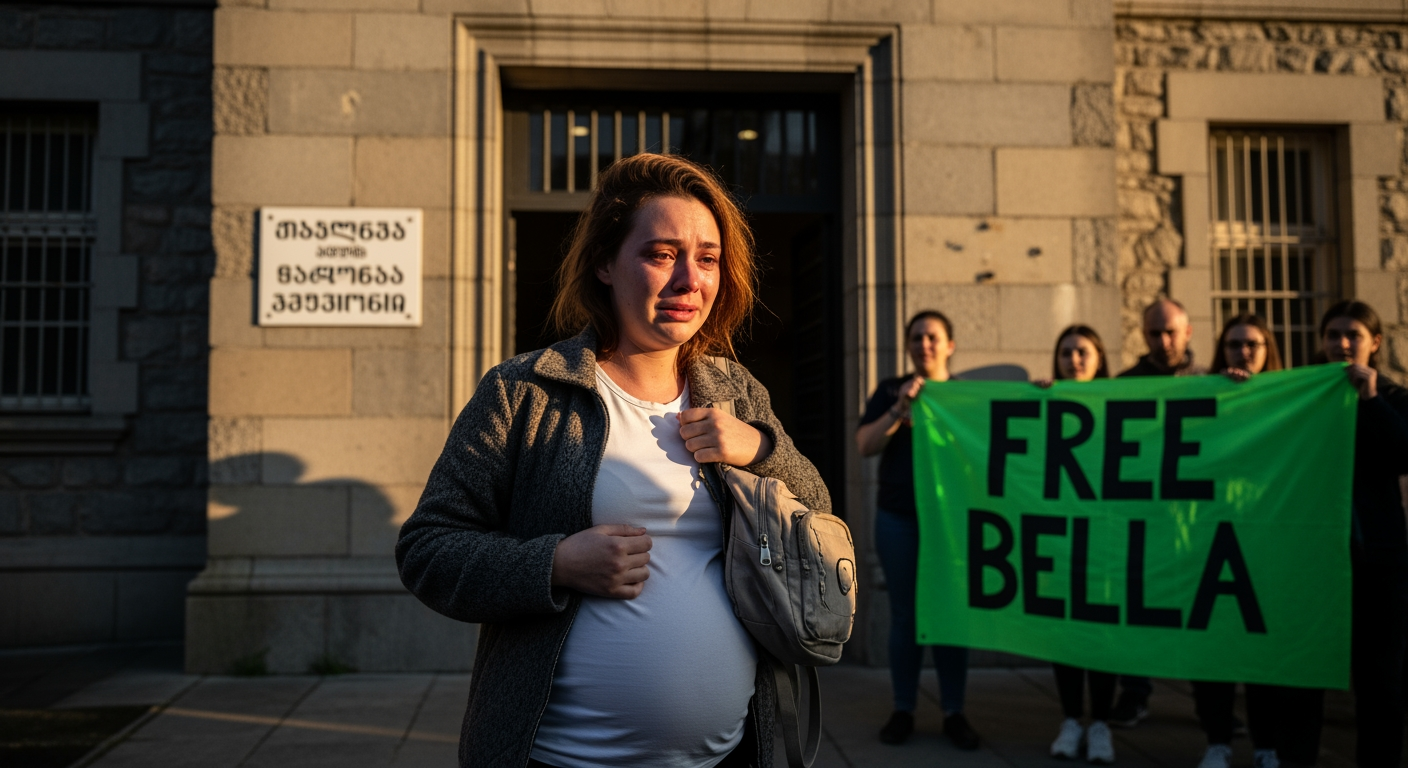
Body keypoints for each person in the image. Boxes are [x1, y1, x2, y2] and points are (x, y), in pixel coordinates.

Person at [396, 153, 830, 768]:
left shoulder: (735, 391)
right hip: (556, 757)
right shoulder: (525, 391)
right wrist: (555, 563)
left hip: (730, 754)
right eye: (661, 254)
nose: (689, 280)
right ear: (604, 263)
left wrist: (760, 448)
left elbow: (815, 519)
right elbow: (427, 551)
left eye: (707, 258)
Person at [1194, 313, 1325, 768]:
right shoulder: (1204, 396)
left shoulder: (1294, 400)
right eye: (1233, 344)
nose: (1243, 353)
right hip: (1211, 539)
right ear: (1221, 351)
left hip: (1268, 543)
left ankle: (1267, 745)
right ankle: (1218, 741)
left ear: (1269, 350)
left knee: (1261, 648)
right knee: (1213, 652)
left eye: (1252, 344)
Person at [856, 310, 982, 751]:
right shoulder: (891, 390)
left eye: (933, 338)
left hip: (950, 525)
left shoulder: (967, 398)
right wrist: (899, 408)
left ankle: (953, 711)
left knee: (949, 616)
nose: (924, 345)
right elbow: (864, 445)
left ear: (950, 345)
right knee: (905, 616)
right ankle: (903, 708)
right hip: (899, 519)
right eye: (916, 338)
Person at [1111, 296, 1208, 727]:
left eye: (1171, 331)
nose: (1163, 340)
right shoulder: (1126, 383)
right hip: (1143, 517)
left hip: (1198, 520)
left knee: (1206, 611)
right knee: (1136, 610)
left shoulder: (1212, 383)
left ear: (1189, 332)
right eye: (1155, 332)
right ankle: (1134, 694)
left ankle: (1213, 704)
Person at [1319, 300, 1408, 768]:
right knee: (1304, 668)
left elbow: (1405, 454)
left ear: (1375, 342)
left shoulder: (1392, 398)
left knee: (1379, 682)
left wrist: (1371, 402)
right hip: (1316, 559)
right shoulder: (1305, 396)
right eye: (1333, 334)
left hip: (1378, 560)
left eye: (1353, 334)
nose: (1342, 343)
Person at [1037, 325, 1116, 764]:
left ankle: (1100, 723)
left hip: (1103, 537)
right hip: (1059, 538)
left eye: (1083, 352)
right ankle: (1071, 721)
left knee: (1101, 632)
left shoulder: (1119, 405)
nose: (1074, 360)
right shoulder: (1045, 403)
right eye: (1066, 352)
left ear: (1099, 358)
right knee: (1064, 631)